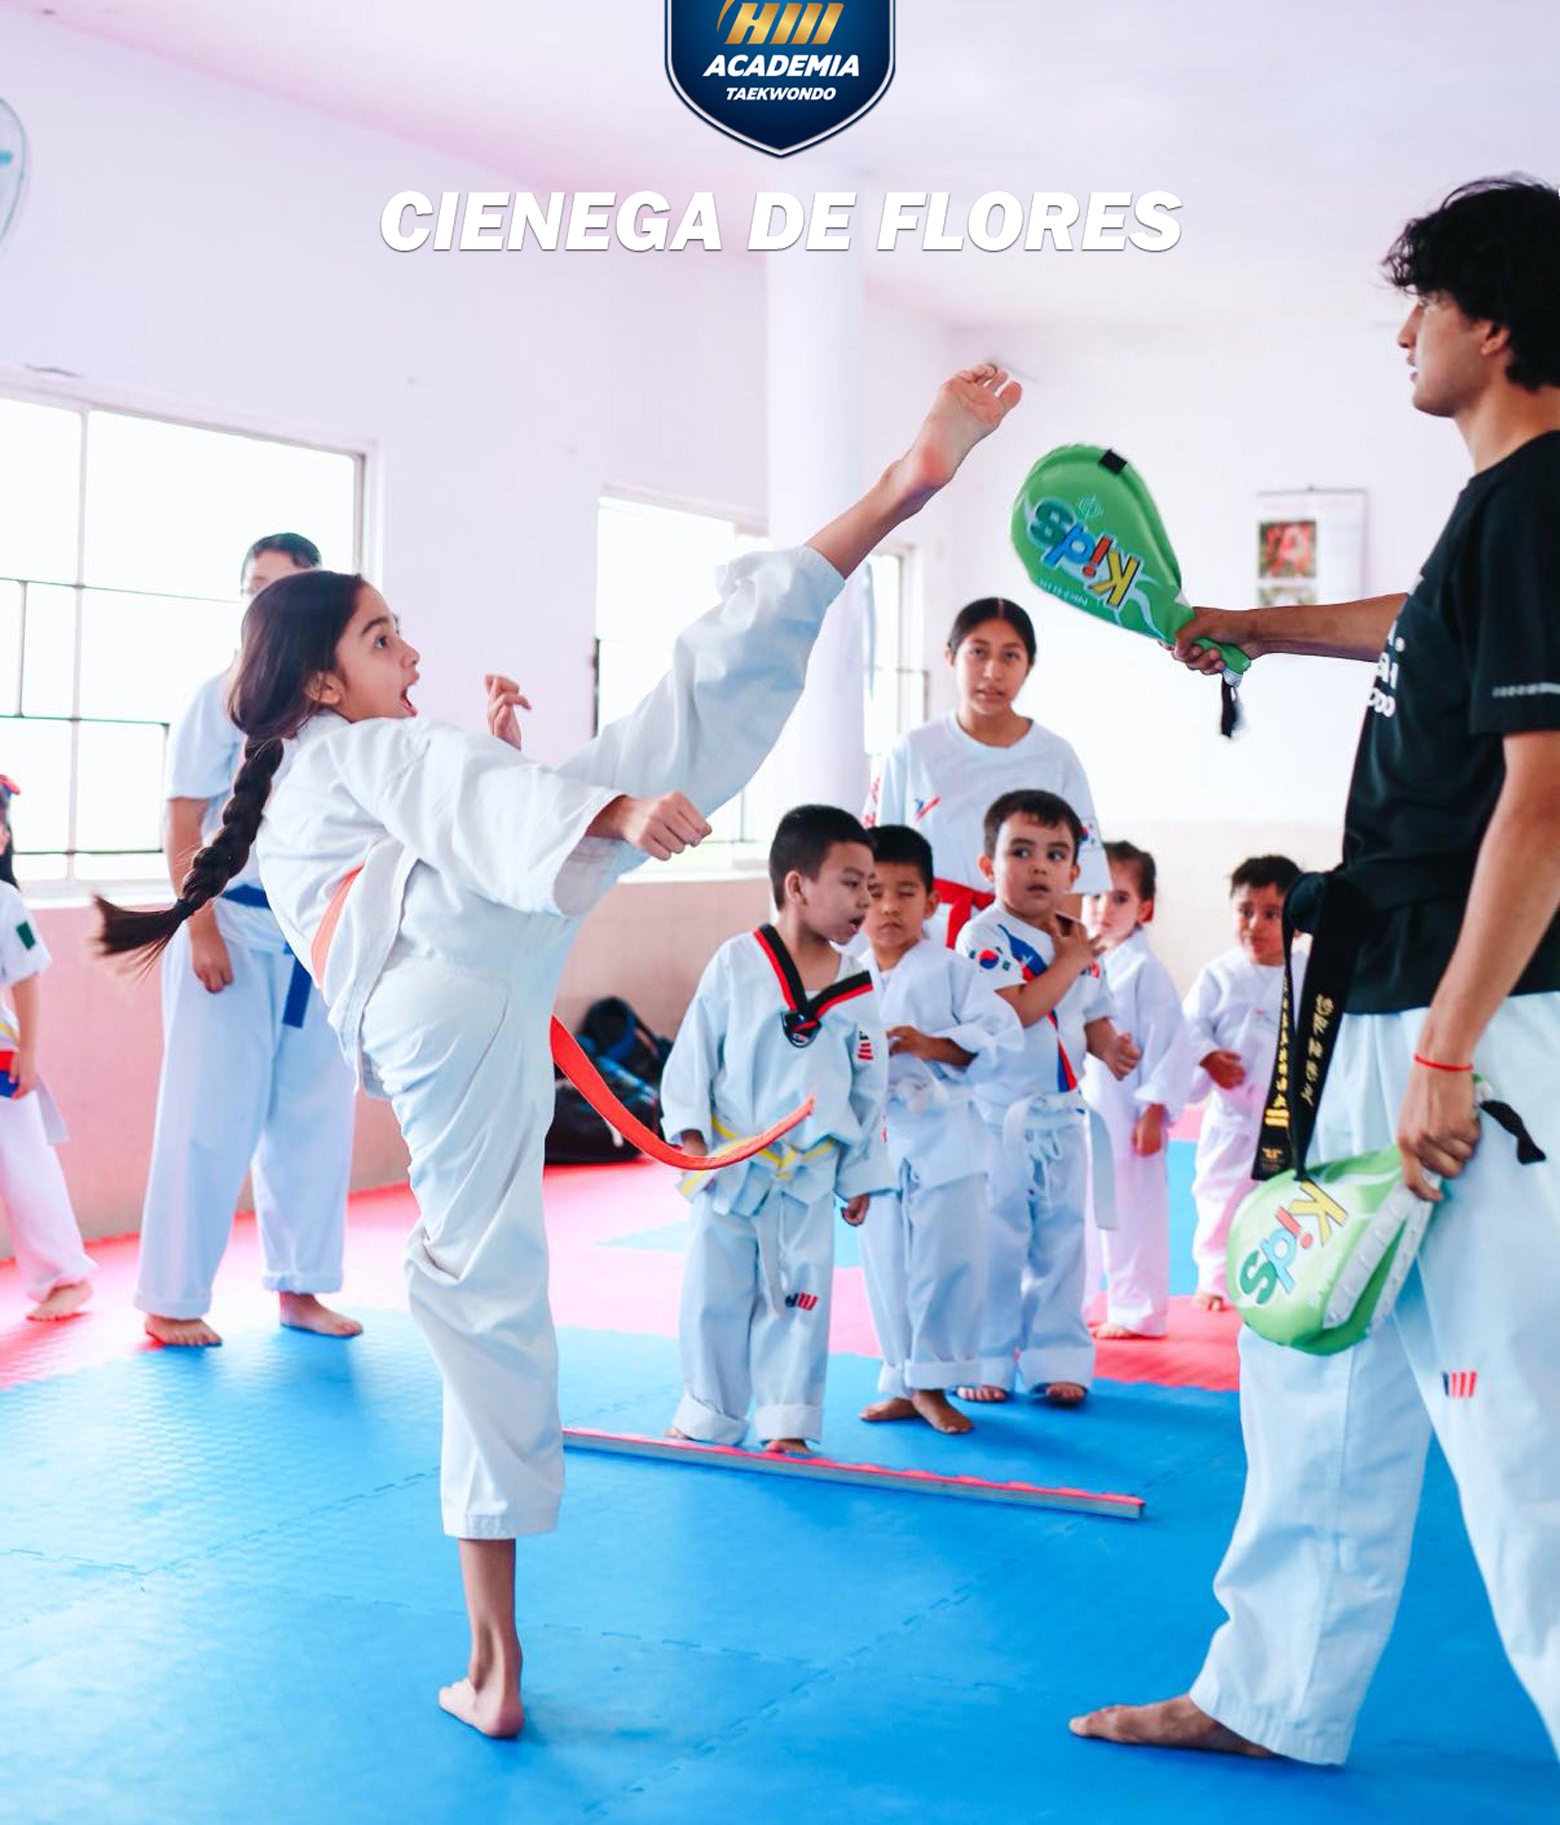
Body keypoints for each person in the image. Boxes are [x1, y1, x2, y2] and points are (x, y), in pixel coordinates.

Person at [97, 361, 1022, 1742]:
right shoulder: (356, 752)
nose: (410, 652)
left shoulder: (312, 776)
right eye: (384, 637)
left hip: (450, 977)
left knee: (484, 1293)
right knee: (669, 729)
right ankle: (893, 493)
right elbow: (444, 786)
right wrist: (600, 814)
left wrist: (546, 790)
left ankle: (493, 1663)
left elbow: (451, 799)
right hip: (457, 960)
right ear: (323, 677)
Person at [1072, 177, 1560, 1763]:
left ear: (1496, 325)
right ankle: (1271, 1692)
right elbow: (1418, 621)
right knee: (1312, 1349)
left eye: (1426, 305)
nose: (1406, 335)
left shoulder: (1545, 502)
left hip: (1470, 1019)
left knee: (1514, 1413)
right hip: (1383, 998)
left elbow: (1547, 803)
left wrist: (1451, 1051)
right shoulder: (1496, 512)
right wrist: (1252, 626)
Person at [135, 532, 360, 1348]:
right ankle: (171, 1298)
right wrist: (199, 927)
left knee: (314, 1117)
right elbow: (181, 822)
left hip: (311, 934)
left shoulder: (333, 708)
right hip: (225, 921)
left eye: (284, 587)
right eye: (255, 585)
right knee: (206, 1115)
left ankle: (302, 1287)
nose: (266, 599)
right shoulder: (218, 697)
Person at [664, 806, 888, 1456]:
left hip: (808, 1175)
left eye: (871, 887)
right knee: (713, 1296)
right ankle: (709, 1413)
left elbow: (869, 1090)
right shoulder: (738, 963)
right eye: (851, 883)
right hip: (733, 1168)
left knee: (801, 1298)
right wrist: (691, 1140)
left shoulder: (857, 987)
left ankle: (788, 1419)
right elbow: (695, 1054)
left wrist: (860, 1174)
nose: (865, 901)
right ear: (798, 886)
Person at [954, 790, 1139, 1407]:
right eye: (1021, 852)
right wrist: (1072, 960)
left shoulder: (1074, 936)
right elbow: (1019, 1010)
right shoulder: (982, 936)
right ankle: (986, 1358)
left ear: (1074, 870)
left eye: (1055, 855)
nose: (1039, 866)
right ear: (988, 865)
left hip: (1063, 1119)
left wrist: (1110, 1047)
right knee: (996, 1242)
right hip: (998, 1120)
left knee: (1063, 1241)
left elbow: (1091, 1011)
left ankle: (1058, 1358)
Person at [856, 823, 1020, 1433]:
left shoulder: (952, 969)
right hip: (877, 1139)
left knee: (947, 1261)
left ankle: (934, 1383)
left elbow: (1001, 1037)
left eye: (905, 892)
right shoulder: (845, 973)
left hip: (946, 1135)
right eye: (873, 892)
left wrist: (932, 1044)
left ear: (932, 901)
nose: (888, 907)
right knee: (885, 1263)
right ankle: (902, 1379)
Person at [865, 598, 1107, 948]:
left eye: (1010, 656)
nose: (993, 671)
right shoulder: (910, 751)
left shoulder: (1056, 757)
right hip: (927, 942)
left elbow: (1075, 883)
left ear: (1029, 665)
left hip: (1026, 946)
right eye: (978, 652)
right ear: (951, 657)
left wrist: (1055, 958)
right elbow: (877, 865)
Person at [1080, 842, 1195, 1339]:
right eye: (1095, 896)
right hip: (1084, 1114)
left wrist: (1155, 1110)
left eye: (1120, 898)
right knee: (1076, 1216)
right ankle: (1070, 1304)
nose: (1104, 909)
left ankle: (1138, 1309)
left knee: (1133, 1214)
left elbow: (1172, 1044)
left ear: (1144, 909)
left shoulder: (1145, 971)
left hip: (1129, 1119)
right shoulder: (1075, 962)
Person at [1181, 856, 1303, 1310]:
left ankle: (1279, 1274)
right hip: (1231, 1117)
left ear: (1296, 924)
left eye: (1271, 914)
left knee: (1284, 1199)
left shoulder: (1308, 972)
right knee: (1219, 1198)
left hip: (1289, 1117)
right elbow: (1188, 1025)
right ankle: (1215, 1279)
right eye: (1245, 911)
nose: (1255, 924)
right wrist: (1208, 1057)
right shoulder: (1219, 974)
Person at [0, 780, 96, 1320]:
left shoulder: (6, 903)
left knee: (24, 1166)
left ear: (3, 838)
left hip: (3, 1055)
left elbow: (26, 979)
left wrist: (30, 1051)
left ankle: (66, 1276)